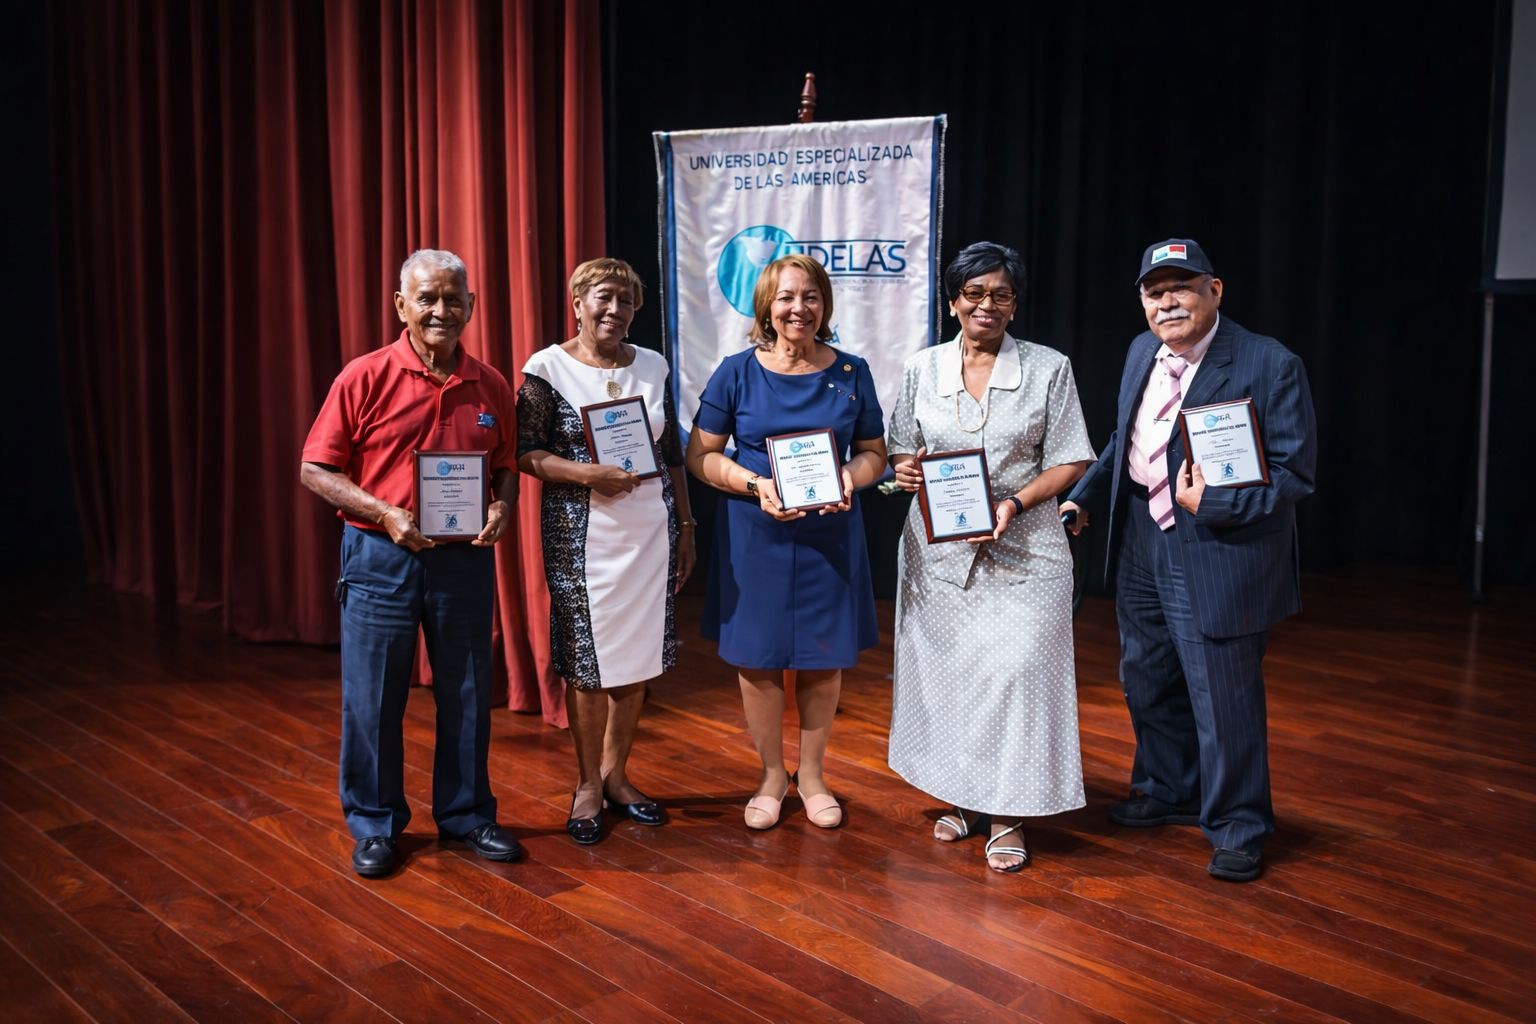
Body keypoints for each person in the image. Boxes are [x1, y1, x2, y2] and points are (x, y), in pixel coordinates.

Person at [1061, 238, 1317, 882]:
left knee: (1222, 695)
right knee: (1145, 676)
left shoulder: (1269, 364)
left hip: (1219, 545)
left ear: (1215, 291)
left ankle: (1238, 825)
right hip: (1143, 540)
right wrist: (1084, 495)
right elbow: (1128, 438)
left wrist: (1220, 503)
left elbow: (1293, 473)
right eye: (1154, 291)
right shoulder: (1142, 351)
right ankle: (1170, 789)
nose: (1167, 301)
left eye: (1181, 287)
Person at [300, 248, 524, 878]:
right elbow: (315, 468)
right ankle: (374, 824)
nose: (441, 311)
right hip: (379, 555)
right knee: (372, 698)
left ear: (472, 307)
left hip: (463, 562)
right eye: (427, 298)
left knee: (469, 692)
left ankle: (468, 814)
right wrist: (385, 513)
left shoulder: (491, 384)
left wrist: (502, 509)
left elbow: (505, 467)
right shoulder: (364, 376)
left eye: (454, 299)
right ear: (402, 305)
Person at [886, 242, 1096, 873]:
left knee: (1019, 680)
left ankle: (1009, 811)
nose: (987, 305)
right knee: (954, 681)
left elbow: (1072, 457)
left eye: (1001, 294)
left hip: (1027, 549)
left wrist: (1016, 502)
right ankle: (966, 795)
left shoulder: (1048, 368)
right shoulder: (922, 368)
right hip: (938, 555)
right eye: (974, 293)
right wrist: (906, 473)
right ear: (953, 301)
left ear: (1015, 304)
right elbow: (901, 453)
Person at [685, 253, 887, 831]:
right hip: (756, 533)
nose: (799, 308)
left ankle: (815, 776)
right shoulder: (736, 371)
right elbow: (701, 457)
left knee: (825, 661)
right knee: (759, 660)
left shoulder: (852, 373)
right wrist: (755, 484)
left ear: (824, 306)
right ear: (766, 307)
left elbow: (874, 452)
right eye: (786, 297)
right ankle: (773, 775)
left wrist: (852, 476)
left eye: (811, 297)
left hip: (831, 534)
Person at [516, 257, 696, 845]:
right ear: (576, 302)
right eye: (602, 298)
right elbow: (526, 454)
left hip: (650, 530)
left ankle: (618, 777)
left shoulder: (654, 365)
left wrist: (688, 525)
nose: (613, 309)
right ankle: (587, 784)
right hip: (581, 532)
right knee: (588, 659)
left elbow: (670, 453)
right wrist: (586, 474)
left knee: (637, 656)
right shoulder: (546, 366)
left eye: (625, 299)